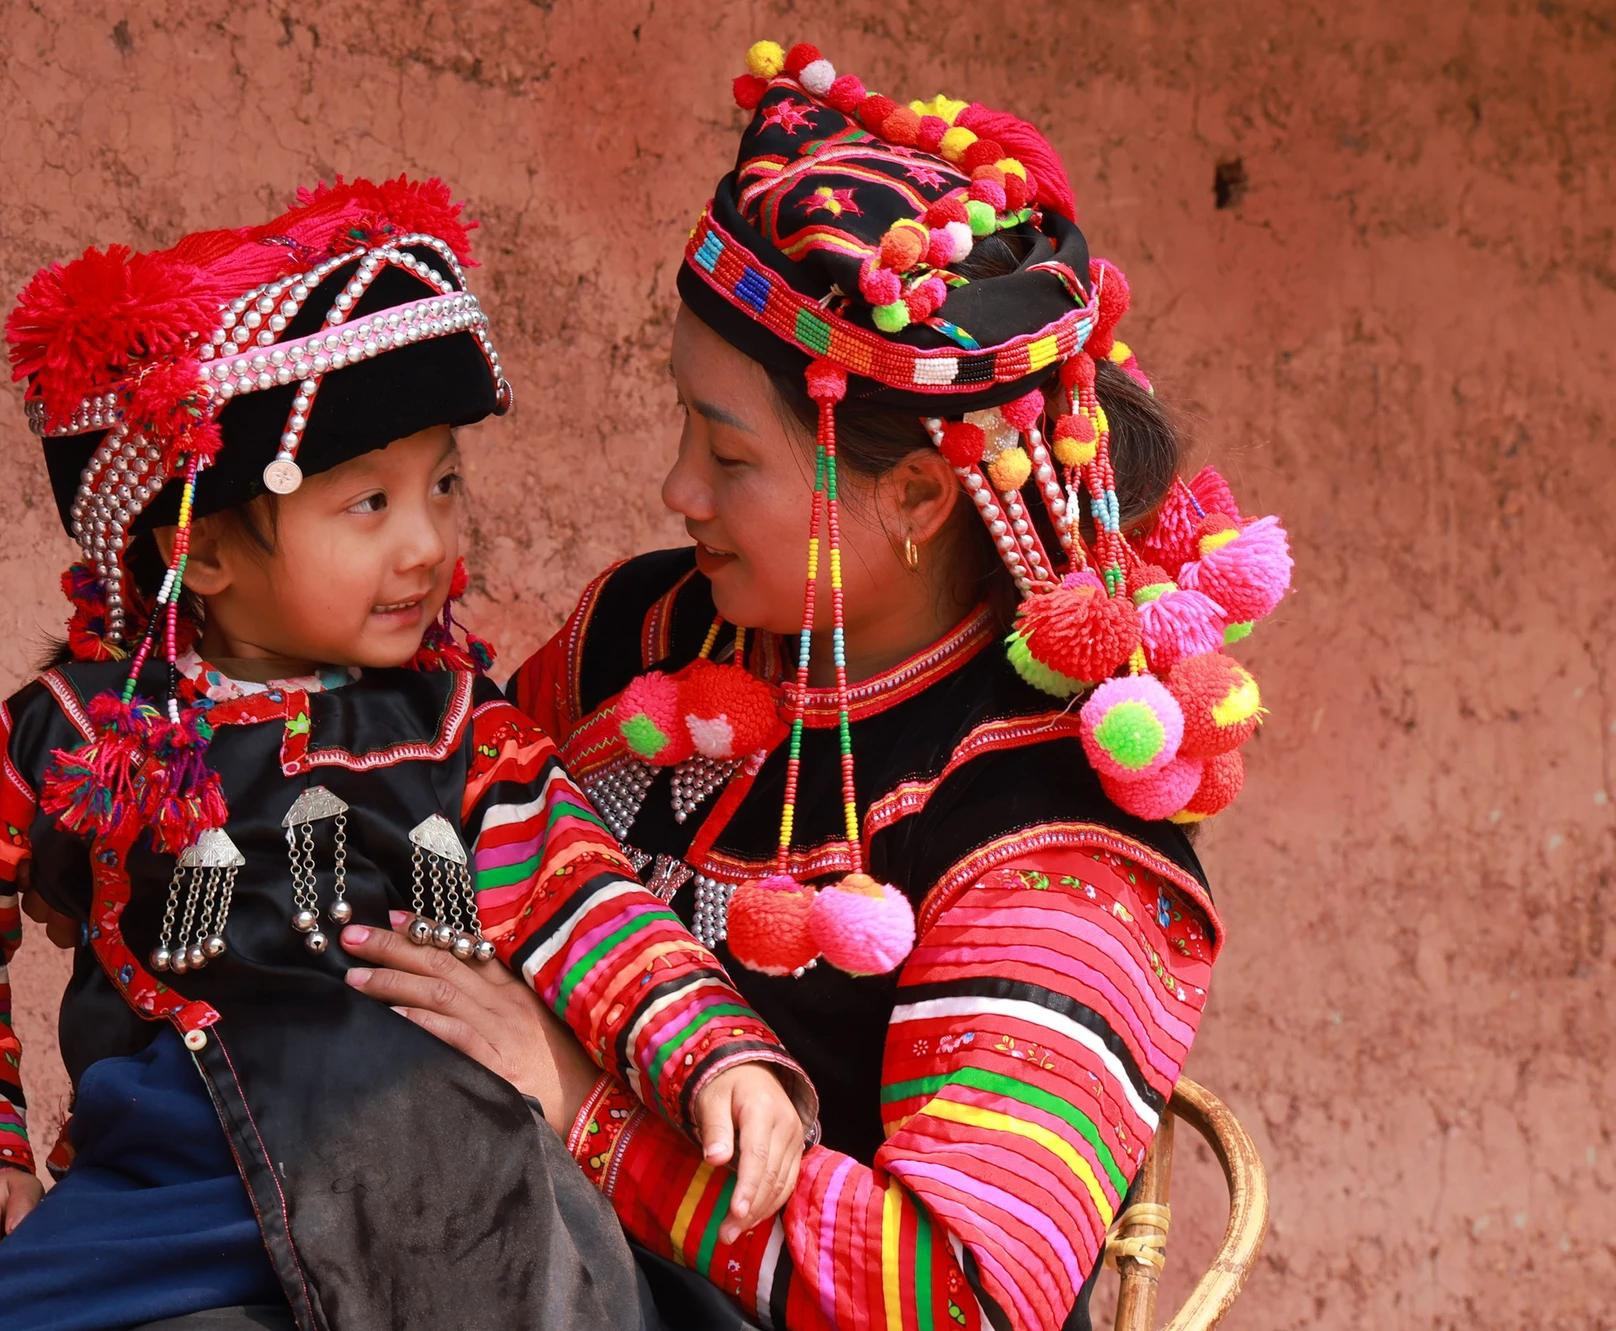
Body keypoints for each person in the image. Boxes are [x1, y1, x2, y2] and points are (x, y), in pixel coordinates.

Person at [338, 41, 1292, 1331]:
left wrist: (583, 1105)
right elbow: (455, 817)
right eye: (683, 425)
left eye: (728, 456)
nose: (680, 493)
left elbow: (958, 1296)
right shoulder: (651, 626)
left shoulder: (1053, 829)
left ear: (911, 495)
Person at [0, 174, 814, 1331]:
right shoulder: (78, 732)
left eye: (444, 484)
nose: (427, 543)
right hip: (168, 1203)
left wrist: (712, 1056)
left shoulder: (469, 732)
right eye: (368, 503)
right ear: (200, 553)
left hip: (450, 1199)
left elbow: (586, 901)